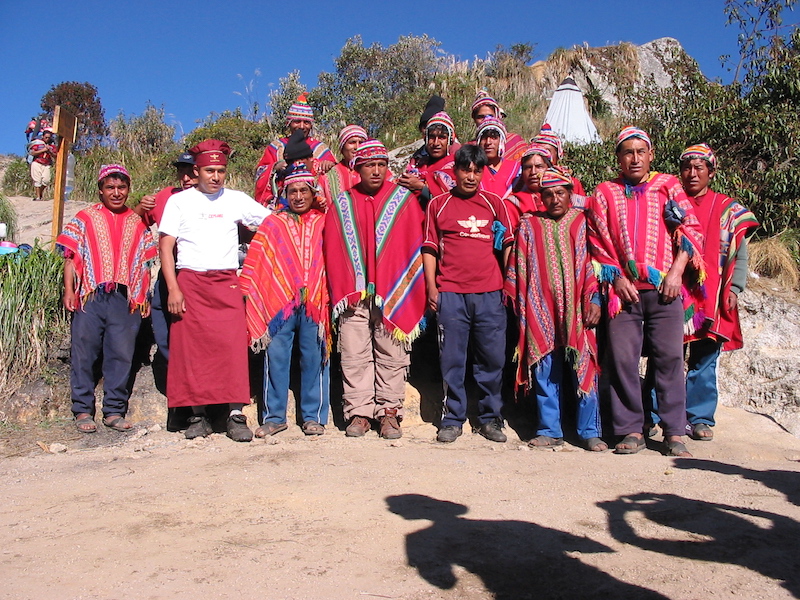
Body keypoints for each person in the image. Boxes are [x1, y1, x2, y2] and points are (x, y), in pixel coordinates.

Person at [588, 127, 706, 457]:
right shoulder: (605, 193)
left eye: (641, 151)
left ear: (651, 155)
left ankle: (673, 431)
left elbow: (691, 230)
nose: (635, 158)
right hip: (623, 292)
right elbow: (596, 239)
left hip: (664, 289)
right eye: (628, 152)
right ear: (619, 158)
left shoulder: (668, 186)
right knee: (623, 360)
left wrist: (676, 273)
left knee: (668, 359)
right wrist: (615, 278)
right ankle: (630, 429)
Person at [159, 139, 271, 441]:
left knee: (232, 347)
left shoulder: (235, 199)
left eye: (221, 170)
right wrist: (173, 288)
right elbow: (166, 247)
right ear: (196, 171)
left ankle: (235, 415)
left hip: (227, 284)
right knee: (191, 351)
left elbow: (271, 225)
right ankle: (197, 416)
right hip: (190, 284)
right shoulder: (179, 202)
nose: (216, 176)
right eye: (209, 170)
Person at [324, 139, 427, 439]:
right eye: (370, 165)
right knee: (354, 354)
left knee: (391, 353)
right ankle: (358, 412)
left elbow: (413, 246)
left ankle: (389, 412)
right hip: (353, 293)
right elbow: (333, 248)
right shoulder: (342, 203)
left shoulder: (403, 201)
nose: (377, 171)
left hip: (392, 294)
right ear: (357, 168)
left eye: (382, 165)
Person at [505, 167, 606, 451]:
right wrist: (522, 303)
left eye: (560, 193)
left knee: (584, 364)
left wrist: (595, 300)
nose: (554, 199)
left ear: (570, 194)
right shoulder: (529, 224)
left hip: (578, 306)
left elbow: (594, 264)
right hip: (541, 307)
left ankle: (589, 431)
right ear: (541, 197)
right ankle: (549, 429)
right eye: (548, 194)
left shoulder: (582, 222)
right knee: (544, 367)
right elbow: (519, 266)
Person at [423, 144, 514, 444]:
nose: (471, 176)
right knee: (452, 359)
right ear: (455, 171)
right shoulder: (438, 204)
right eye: (466, 170)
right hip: (451, 294)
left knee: (492, 359)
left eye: (477, 170)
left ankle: (490, 419)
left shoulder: (494, 204)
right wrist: (432, 288)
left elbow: (508, 244)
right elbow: (430, 248)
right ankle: (452, 419)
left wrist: (507, 281)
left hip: (489, 293)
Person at [57, 164, 157, 433]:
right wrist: (69, 290)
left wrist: (142, 297)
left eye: (121, 188)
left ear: (128, 190)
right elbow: (71, 257)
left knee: (121, 354)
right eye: (110, 188)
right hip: (90, 295)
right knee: (84, 352)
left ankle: (114, 410)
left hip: (125, 298)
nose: (116, 193)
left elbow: (144, 263)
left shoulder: (136, 223)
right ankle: (82, 410)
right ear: (100, 190)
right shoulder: (85, 217)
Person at [240, 166, 331, 437]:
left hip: (316, 300)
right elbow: (258, 261)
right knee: (276, 358)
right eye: (293, 191)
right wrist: (248, 289)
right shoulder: (273, 223)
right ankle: (274, 417)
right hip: (279, 303)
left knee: (314, 358)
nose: (299, 196)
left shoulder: (324, 221)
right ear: (285, 194)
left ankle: (313, 417)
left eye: (305, 191)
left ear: (313, 193)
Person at [678, 144, 758, 440]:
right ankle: (664, 415)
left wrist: (735, 287)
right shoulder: (672, 203)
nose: (692, 173)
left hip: (712, 293)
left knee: (705, 357)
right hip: (677, 292)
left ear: (711, 172)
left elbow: (739, 252)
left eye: (699, 168)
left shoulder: (727, 208)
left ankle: (700, 418)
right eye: (687, 167)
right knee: (670, 356)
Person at [254, 93, 335, 205]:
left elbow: (335, 176)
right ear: (289, 123)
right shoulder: (276, 147)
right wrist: (274, 168)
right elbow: (260, 174)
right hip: (281, 204)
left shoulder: (321, 149)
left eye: (306, 122)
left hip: (316, 205)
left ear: (311, 125)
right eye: (297, 121)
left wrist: (329, 165)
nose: (302, 126)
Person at [399, 111, 459, 208]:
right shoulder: (419, 164)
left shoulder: (456, 166)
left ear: (449, 140)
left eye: (442, 137)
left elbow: (453, 200)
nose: (436, 143)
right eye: (432, 137)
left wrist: (422, 187)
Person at [470, 89, 527, 162]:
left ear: (497, 116)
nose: (486, 119)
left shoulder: (514, 142)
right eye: (480, 117)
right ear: (474, 119)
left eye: (491, 115)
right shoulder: (470, 147)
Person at [504, 143, 552, 231]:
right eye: (527, 167)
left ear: (549, 169)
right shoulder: (512, 203)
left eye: (539, 167)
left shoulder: (562, 197)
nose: (533, 172)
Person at [319, 124, 367, 206]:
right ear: (342, 147)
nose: (357, 147)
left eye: (361, 142)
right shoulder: (328, 175)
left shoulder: (375, 170)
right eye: (352, 142)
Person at [532, 123, 586, 195]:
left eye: (548, 151)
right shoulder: (530, 182)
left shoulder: (572, 183)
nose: (543, 155)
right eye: (538, 151)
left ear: (557, 155)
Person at [475, 116, 519, 201]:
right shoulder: (472, 170)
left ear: (502, 141)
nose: (488, 142)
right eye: (484, 138)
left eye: (494, 137)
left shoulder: (517, 169)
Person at [28, 128, 57, 200]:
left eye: (49, 138)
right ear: (43, 136)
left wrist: (49, 151)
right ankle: (38, 197)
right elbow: (32, 152)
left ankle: (40, 193)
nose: (47, 139)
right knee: (37, 180)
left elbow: (55, 156)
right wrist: (43, 150)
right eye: (46, 137)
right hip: (37, 162)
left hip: (47, 164)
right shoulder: (38, 144)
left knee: (46, 180)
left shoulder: (52, 146)